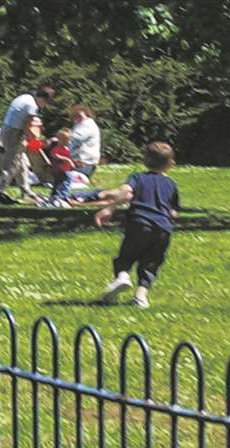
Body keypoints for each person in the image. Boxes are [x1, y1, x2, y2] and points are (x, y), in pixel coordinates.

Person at [93, 141, 181, 309]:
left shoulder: (137, 178)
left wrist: (109, 208)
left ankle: (123, 277)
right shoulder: (171, 184)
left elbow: (126, 193)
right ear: (171, 164)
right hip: (163, 229)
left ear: (145, 161)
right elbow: (174, 212)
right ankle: (141, 297)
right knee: (151, 263)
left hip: (139, 223)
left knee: (126, 257)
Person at [0, 85, 56, 202]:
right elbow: (27, 127)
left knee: (22, 161)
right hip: (13, 133)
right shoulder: (32, 106)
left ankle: (26, 190)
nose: (45, 106)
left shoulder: (25, 97)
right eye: (46, 103)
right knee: (12, 164)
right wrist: (37, 142)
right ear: (42, 99)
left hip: (7, 129)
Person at [67, 105, 101, 182]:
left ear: (87, 115)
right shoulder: (79, 126)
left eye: (80, 116)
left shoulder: (87, 125)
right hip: (80, 163)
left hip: (84, 164)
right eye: (75, 116)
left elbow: (74, 139)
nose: (77, 118)